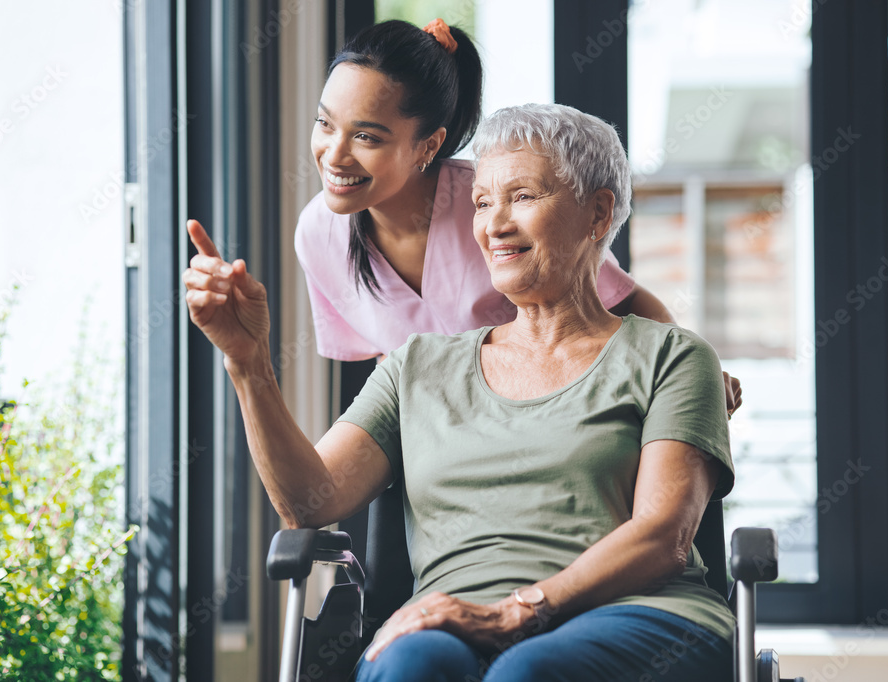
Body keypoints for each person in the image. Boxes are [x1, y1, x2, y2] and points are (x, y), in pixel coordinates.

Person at [183, 103, 735, 681]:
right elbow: (309, 502)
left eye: (522, 196)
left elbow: (663, 536)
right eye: (481, 202)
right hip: (448, 619)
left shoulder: (673, 357)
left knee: (527, 672)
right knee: (413, 667)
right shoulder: (417, 365)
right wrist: (248, 364)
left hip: (640, 615)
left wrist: (515, 612)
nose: (494, 224)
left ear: (598, 213)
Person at [294, 17, 741, 413]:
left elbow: (625, 300)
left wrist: (695, 373)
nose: (334, 155)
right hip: (433, 447)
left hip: (547, 421)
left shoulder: (495, 202)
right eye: (324, 123)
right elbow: (383, 363)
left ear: (428, 145)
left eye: (367, 137)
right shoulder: (317, 235)